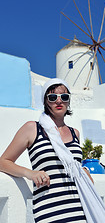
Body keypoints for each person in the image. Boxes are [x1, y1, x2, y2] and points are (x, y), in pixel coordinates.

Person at [0, 78, 93, 223]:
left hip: (80, 211)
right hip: (49, 213)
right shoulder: (32, 128)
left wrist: (83, 170)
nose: (59, 101)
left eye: (64, 97)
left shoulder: (75, 133)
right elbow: (3, 162)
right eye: (52, 97)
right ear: (45, 101)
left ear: (69, 101)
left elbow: (71, 167)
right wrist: (30, 173)